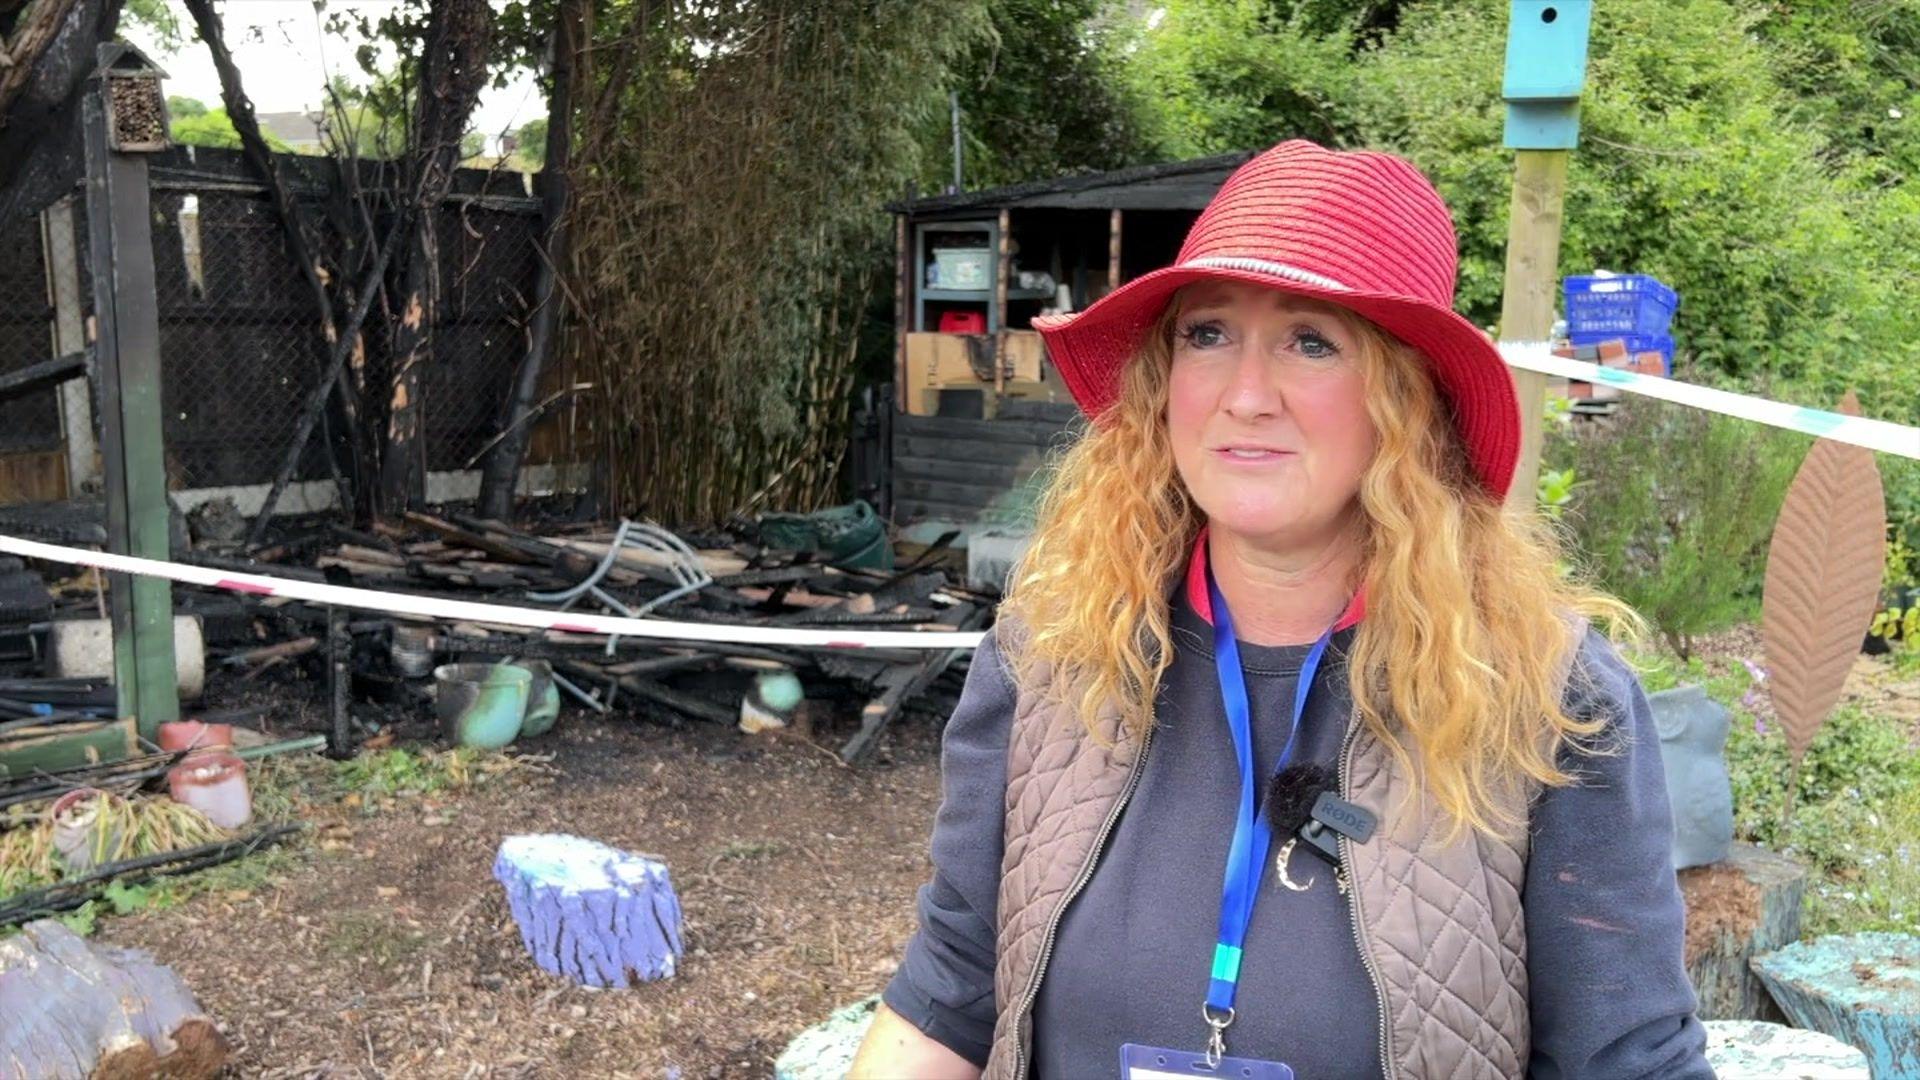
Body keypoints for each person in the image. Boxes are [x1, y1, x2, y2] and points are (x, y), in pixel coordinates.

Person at [848, 140, 1711, 1080]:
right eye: (1207, 334)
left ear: (1406, 403)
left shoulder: (1548, 696)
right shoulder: (1050, 652)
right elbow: (950, 994)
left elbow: (1625, 1060)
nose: (1245, 396)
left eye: (1311, 342)